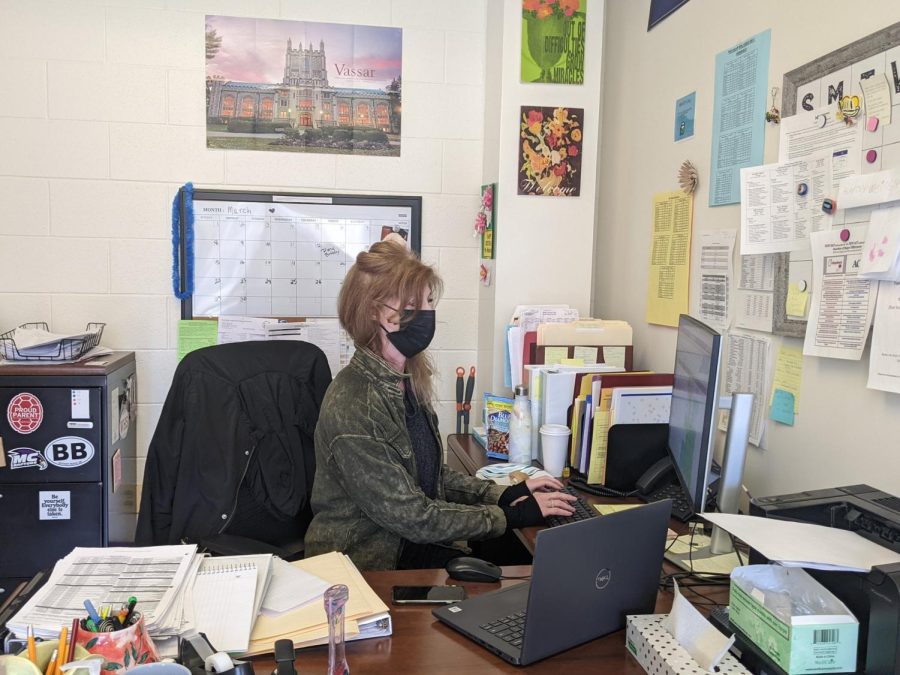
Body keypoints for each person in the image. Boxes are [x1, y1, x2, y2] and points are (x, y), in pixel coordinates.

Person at [304, 238, 577, 570]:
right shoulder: (355, 403)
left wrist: (502, 494)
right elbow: (413, 515)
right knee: (509, 576)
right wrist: (511, 514)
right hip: (368, 563)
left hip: (411, 542)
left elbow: (430, 476)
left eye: (428, 300)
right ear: (374, 312)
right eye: (412, 303)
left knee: (520, 559)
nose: (426, 312)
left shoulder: (406, 379)